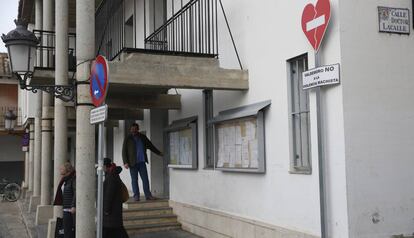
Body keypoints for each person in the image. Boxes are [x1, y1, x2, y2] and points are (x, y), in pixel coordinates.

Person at [122, 123, 163, 201]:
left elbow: (150, 146)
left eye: (135, 129)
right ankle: (136, 196)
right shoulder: (128, 138)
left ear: (138, 129)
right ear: (130, 130)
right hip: (132, 163)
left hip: (142, 162)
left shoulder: (143, 137)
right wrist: (125, 162)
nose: (133, 131)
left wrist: (159, 153)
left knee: (145, 179)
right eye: (132, 129)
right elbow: (124, 151)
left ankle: (148, 195)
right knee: (134, 180)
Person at [103, 158, 129, 238]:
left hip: (111, 212)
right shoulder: (113, 175)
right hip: (114, 212)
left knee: (114, 231)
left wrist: (106, 209)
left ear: (105, 166)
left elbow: (109, 195)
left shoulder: (111, 177)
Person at [53, 161, 76, 238]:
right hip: (66, 208)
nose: (60, 169)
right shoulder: (65, 180)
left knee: (69, 232)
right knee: (67, 232)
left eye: (62, 168)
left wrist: (73, 205)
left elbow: (76, 193)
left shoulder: (72, 179)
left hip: (70, 209)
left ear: (67, 170)